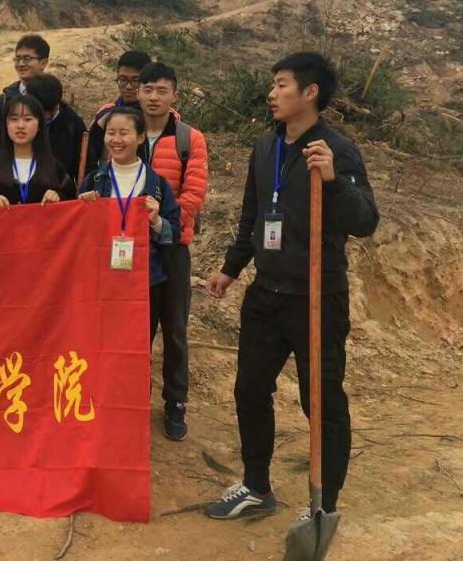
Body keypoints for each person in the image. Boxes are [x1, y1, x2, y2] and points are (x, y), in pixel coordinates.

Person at [204, 52, 378, 520]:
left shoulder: (337, 150)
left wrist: (334, 181)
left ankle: (324, 506)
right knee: (250, 390)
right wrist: (231, 268)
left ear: (310, 92)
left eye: (281, 84)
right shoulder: (266, 147)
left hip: (318, 296)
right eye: (273, 85)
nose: (272, 93)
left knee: (320, 402)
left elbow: (366, 222)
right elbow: (253, 213)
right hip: (267, 294)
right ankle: (256, 486)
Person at [136, 62, 209, 441]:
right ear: (138, 92)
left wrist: (160, 223)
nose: (153, 97)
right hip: (130, 250)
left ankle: (175, 402)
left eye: (161, 90)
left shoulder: (189, 139)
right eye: (147, 89)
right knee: (136, 329)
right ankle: (135, 398)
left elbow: (194, 194)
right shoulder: (125, 131)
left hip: (173, 247)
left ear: (174, 95)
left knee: (175, 329)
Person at [79, 107, 182, 372]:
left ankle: (133, 396)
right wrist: (83, 209)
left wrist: (156, 221)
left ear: (140, 137)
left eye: (124, 133)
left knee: (137, 348)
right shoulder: (94, 181)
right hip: (101, 280)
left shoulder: (157, 184)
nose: (116, 140)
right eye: (110, 133)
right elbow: (78, 236)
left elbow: (174, 233)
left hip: (144, 281)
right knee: (98, 344)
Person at [0, 94, 76, 207]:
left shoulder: (54, 168)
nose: (20, 125)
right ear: (6, 124)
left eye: (28, 119)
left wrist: (58, 196)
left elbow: (72, 202)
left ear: (39, 124)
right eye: (14, 119)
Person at [84, 50, 150, 173]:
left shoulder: (162, 116)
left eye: (135, 81)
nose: (129, 87)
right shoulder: (104, 113)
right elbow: (89, 156)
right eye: (123, 80)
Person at [24, 73, 87, 182]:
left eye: (52, 110)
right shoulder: (17, 123)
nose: (47, 116)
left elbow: (86, 165)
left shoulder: (73, 124)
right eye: (42, 111)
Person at [0, 34, 50, 125]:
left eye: (27, 59)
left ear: (43, 63)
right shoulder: (1, 103)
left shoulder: (54, 99)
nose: (21, 64)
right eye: (18, 59)